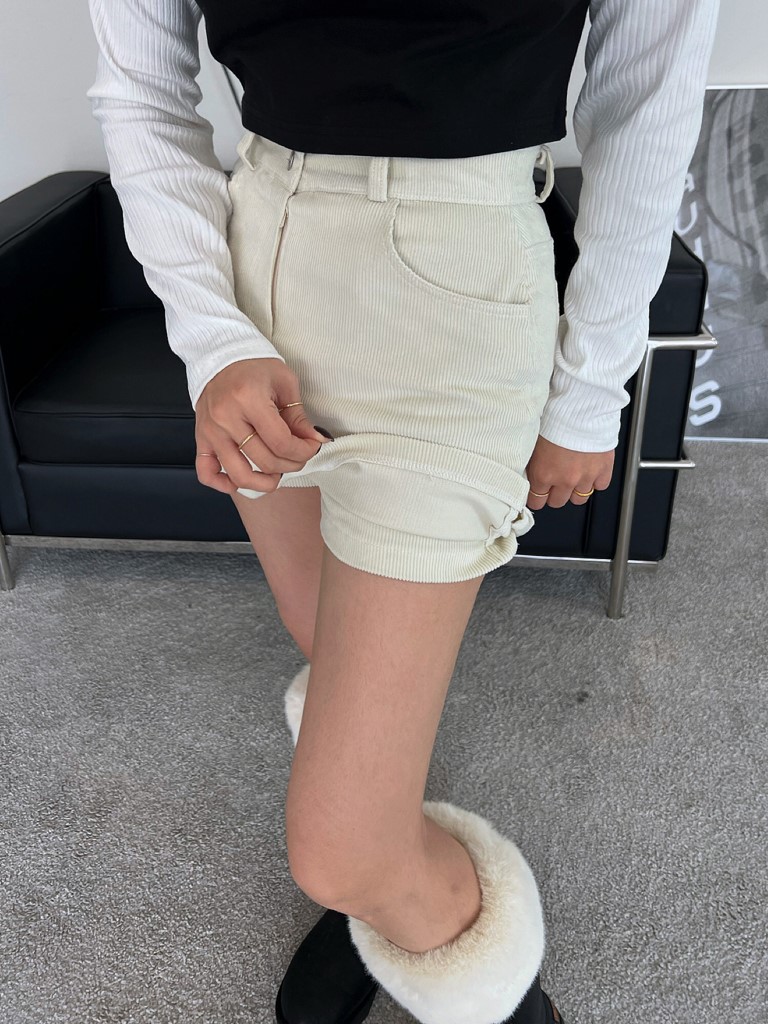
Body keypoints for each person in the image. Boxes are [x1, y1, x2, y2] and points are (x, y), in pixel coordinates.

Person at [86, 1, 721, 1021]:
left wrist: (591, 387)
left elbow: (646, 100)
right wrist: (213, 338)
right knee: (326, 642)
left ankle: (491, 987)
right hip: (255, 275)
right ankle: (386, 881)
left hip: (458, 291)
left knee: (341, 851)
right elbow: (143, 91)